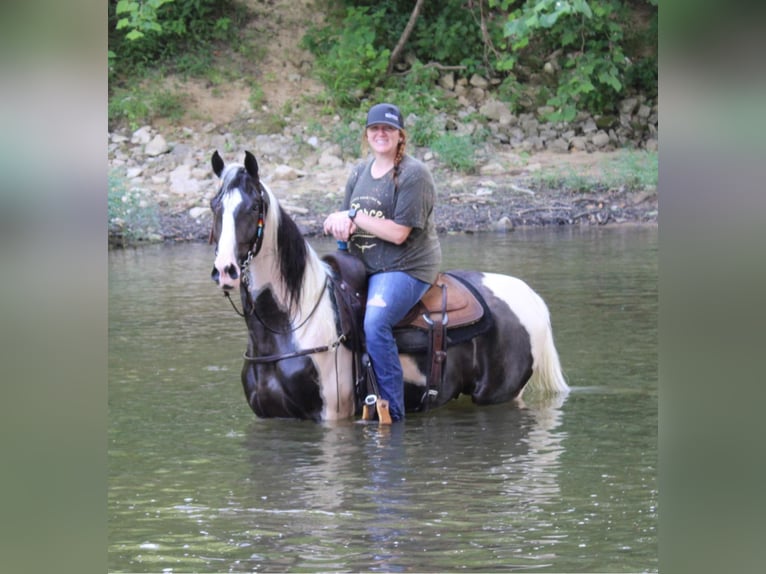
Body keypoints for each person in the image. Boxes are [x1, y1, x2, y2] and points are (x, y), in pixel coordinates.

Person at [323, 102, 442, 422]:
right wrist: (340, 225)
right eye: (375, 128)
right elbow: (351, 221)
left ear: (400, 136)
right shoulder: (359, 173)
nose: (381, 134)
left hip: (405, 267)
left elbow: (400, 233)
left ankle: (392, 411)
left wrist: (353, 216)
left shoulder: (414, 174)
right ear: (366, 134)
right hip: (362, 265)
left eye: (388, 129)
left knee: (375, 324)